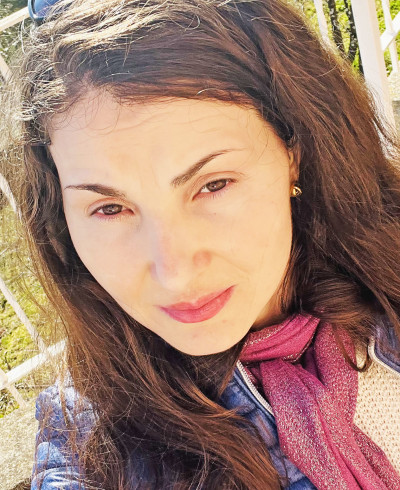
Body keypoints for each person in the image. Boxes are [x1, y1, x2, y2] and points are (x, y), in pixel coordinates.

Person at [1, 0, 400, 487]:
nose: (175, 273)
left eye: (213, 185)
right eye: (109, 209)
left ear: (292, 153)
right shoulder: (92, 451)